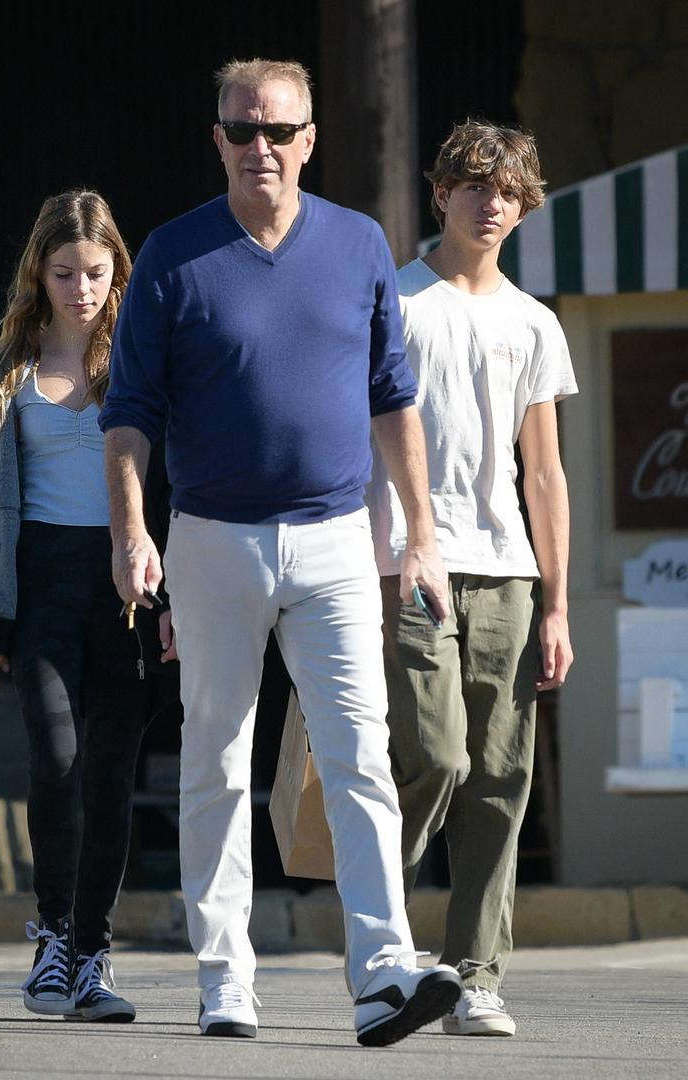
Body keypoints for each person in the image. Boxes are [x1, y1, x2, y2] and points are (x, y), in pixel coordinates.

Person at [99, 57, 463, 1047]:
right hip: (212, 539)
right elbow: (129, 413)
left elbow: (394, 396)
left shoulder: (359, 243)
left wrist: (422, 537)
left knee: (360, 755)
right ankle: (225, 977)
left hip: (337, 539)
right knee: (216, 758)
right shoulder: (171, 255)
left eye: (279, 130)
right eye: (242, 128)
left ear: (310, 140)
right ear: (217, 139)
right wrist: (131, 531)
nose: (260, 146)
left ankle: (383, 972)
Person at [365, 119, 578, 1037]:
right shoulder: (397, 299)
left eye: (509, 192)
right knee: (436, 755)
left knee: (500, 776)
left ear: (525, 207)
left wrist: (558, 603)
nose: (492, 204)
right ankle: (380, 943)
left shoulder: (535, 321)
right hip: (406, 558)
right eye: (475, 186)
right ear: (440, 191)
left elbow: (545, 473)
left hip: (508, 572)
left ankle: (473, 975)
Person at [0, 189, 175, 1022]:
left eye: (96, 271)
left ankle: (92, 955)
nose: (82, 288)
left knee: (111, 772)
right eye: (64, 272)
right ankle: (52, 936)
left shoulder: (145, 365)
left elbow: (176, 488)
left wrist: (175, 595)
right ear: (38, 276)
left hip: (128, 587)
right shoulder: (0, 379)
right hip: (39, 582)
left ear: (118, 272)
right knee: (56, 757)